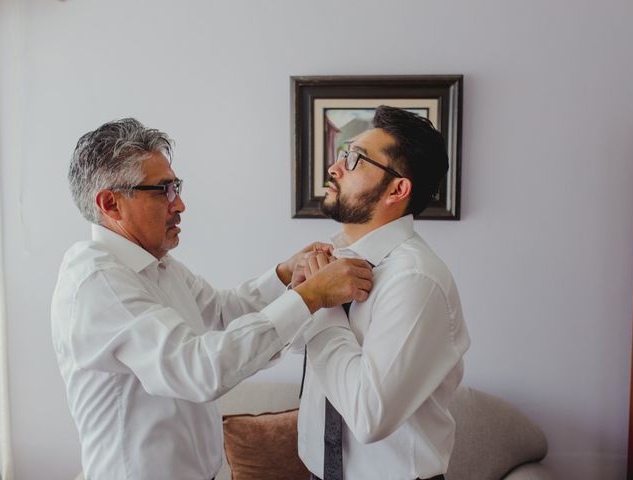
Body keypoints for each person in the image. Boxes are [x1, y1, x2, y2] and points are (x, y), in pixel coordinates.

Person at [50, 118, 373, 480]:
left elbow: (222, 311)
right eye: (164, 190)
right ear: (111, 203)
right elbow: (198, 369)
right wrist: (309, 297)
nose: (181, 204)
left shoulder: (157, 263)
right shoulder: (99, 283)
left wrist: (285, 274)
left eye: (177, 187)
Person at [295, 106, 471, 480]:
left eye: (355, 159)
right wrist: (301, 296)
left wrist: (321, 307)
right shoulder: (334, 261)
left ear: (397, 189)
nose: (334, 167)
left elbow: (368, 416)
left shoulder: (416, 280)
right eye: (342, 154)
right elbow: (293, 347)